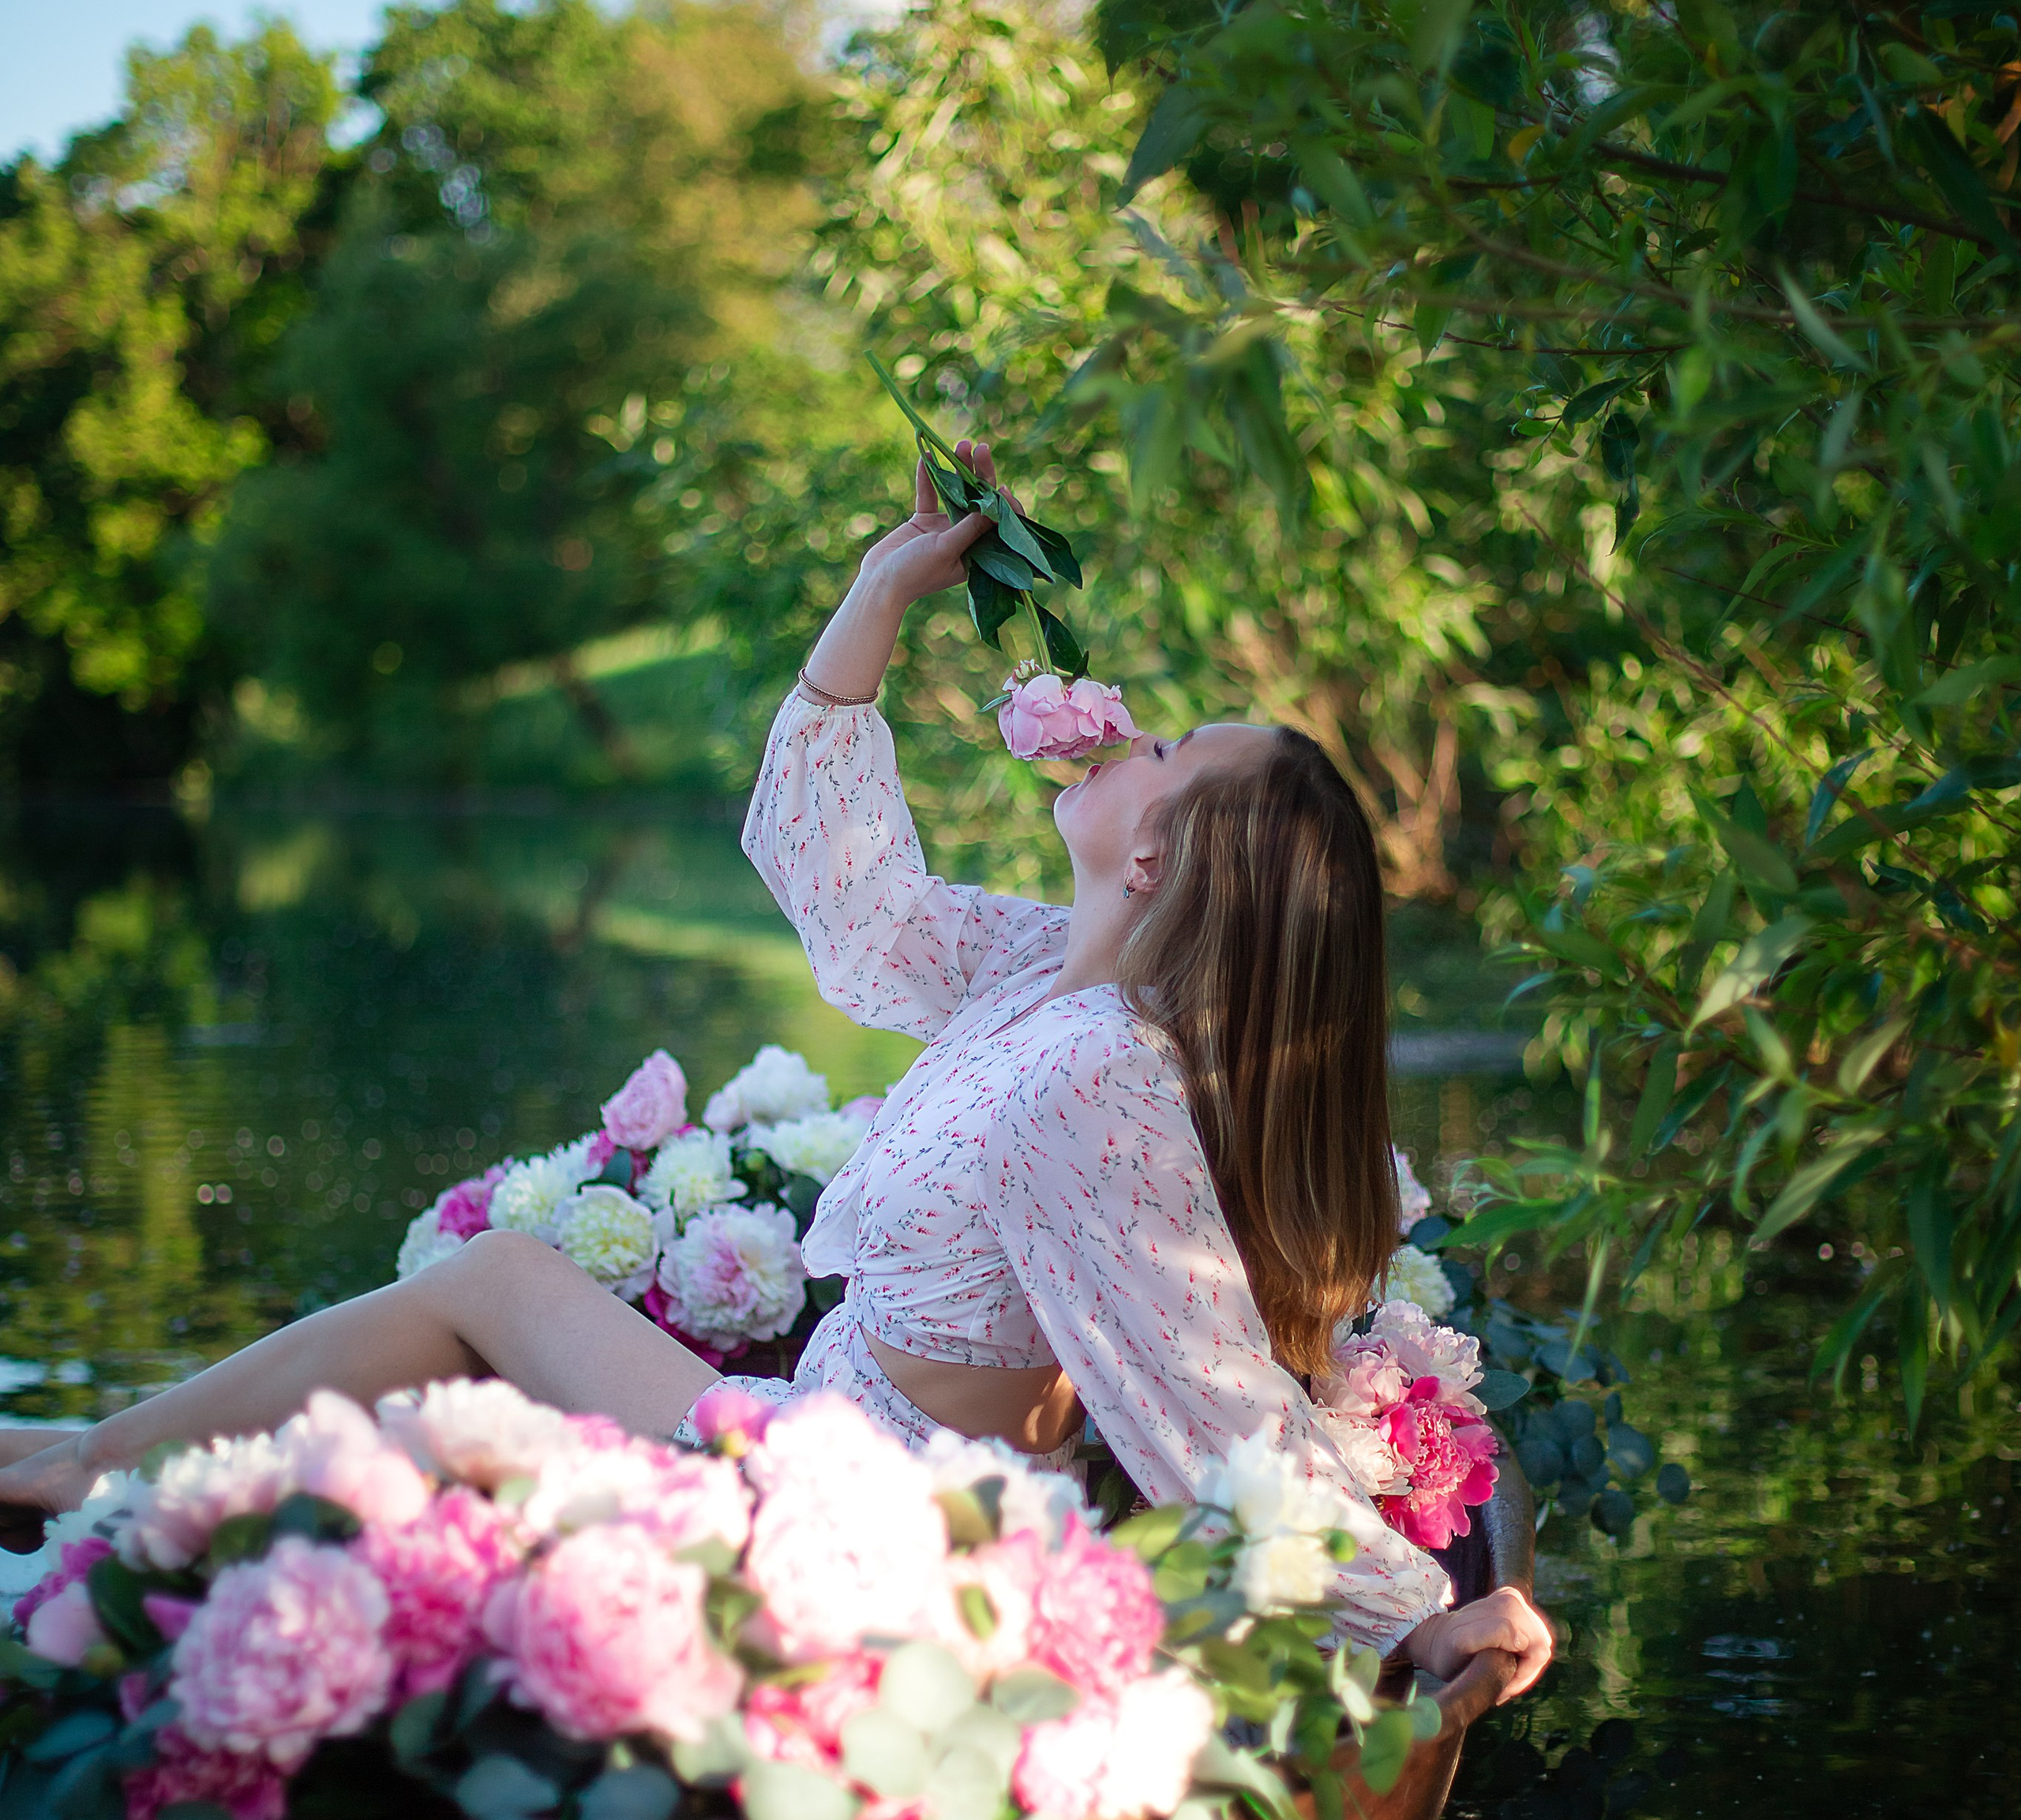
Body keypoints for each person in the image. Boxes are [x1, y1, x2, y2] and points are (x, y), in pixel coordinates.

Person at [3, 448, 1549, 1695]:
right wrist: (880, 592)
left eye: (1169, 749)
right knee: (494, 1314)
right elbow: (851, 900)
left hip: (862, 1515)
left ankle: (83, 1470)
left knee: (501, 1283)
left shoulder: (1100, 1077)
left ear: (1154, 850)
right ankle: (100, 1475)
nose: (1127, 728)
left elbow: (1203, 1400)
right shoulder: (1034, 975)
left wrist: (1413, 1616)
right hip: (819, 1421)